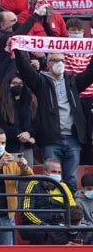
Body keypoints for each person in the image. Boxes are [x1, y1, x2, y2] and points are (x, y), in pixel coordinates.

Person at [14, 48, 93, 187]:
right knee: (51, 181)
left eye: (62, 60)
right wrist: (18, 51)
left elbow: (90, 73)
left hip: (73, 139)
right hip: (51, 140)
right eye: (56, 60)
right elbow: (25, 70)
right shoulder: (41, 82)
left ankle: (71, 209)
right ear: (48, 63)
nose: (60, 63)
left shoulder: (73, 82)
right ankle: (52, 208)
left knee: (71, 180)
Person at [22, 158, 78, 244]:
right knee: (39, 233)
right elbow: (27, 212)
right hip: (37, 226)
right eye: (54, 172)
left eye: (59, 173)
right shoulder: (33, 184)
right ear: (45, 173)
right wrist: (44, 225)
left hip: (58, 225)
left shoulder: (63, 186)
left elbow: (73, 210)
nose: (57, 175)